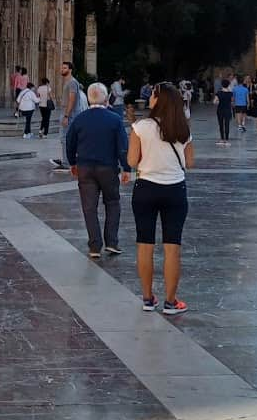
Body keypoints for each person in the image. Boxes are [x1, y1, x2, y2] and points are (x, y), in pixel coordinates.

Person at [127, 81, 194, 315]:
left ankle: (147, 298)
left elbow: (132, 161)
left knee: (145, 244)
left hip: (145, 188)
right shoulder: (183, 128)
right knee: (172, 247)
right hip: (175, 190)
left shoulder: (141, 127)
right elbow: (190, 163)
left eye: (153, 95)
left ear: (159, 100)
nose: (150, 98)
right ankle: (171, 301)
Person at [66, 81, 131, 257]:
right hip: (108, 168)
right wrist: (126, 167)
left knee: (89, 207)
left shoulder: (80, 119)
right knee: (112, 203)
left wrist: (72, 163)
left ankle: (94, 246)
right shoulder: (115, 119)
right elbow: (122, 146)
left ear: (88, 98)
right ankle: (112, 242)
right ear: (105, 98)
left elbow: (70, 143)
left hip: (85, 167)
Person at [53, 61, 88, 169]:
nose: (62, 70)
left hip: (69, 113)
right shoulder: (69, 82)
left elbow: (72, 99)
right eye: (62, 68)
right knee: (66, 138)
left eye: (64, 68)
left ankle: (67, 163)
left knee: (65, 138)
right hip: (66, 111)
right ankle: (67, 159)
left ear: (70, 70)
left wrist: (66, 116)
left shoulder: (72, 82)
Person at [215, 78, 234, 145]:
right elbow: (232, 102)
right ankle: (227, 139)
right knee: (227, 124)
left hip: (220, 110)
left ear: (222, 85)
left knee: (221, 124)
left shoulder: (219, 93)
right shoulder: (230, 93)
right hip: (228, 110)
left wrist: (218, 101)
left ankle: (222, 139)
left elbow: (215, 102)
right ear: (228, 85)